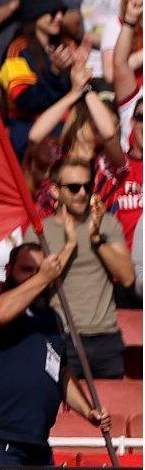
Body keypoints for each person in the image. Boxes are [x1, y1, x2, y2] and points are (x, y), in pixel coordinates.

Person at [0, 239, 113, 465]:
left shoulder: (53, 319)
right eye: (26, 269)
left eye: (40, 270)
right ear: (8, 270)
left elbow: (61, 374)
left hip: (37, 444)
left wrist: (89, 412)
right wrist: (43, 276)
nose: (35, 276)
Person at [36, 158, 136, 379]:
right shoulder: (41, 231)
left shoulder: (107, 224)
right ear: (55, 190)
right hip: (63, 338)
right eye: (73, 187)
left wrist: (96, 239)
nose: (82, 193)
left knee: (112, 411)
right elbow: (39, 286)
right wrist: (70, 245)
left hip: (106, 338)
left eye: (87, 186)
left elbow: (128, 278)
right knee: (63, 413)